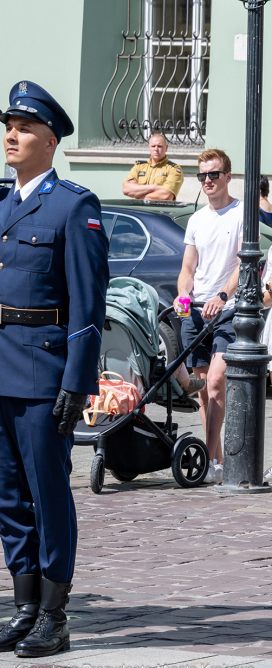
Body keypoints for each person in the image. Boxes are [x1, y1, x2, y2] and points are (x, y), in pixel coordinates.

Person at [0, 82, 109, 657]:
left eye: (23, 129)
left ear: (50, 140)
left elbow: (88, 305)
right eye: (7, 128)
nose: (11, 136)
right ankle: (22, 606)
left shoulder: (73, 206)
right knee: (7, 497)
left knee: (48, 494)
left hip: (44, 373)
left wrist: (77, 380)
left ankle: (53, 613)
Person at [175, 149, 242, 485]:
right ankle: (213, 462)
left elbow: (245, 264)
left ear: (228, 176)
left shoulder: (241, 213)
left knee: (216, 382)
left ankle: (207, 458)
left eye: (213, 174)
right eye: (202, 176)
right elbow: (188, 268)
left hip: (227, 311)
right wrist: (183, 295)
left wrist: (222, 296)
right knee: (203, 391)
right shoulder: (197, 220)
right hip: (197, 311)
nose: (208, 181)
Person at [122, 133, 183, 201]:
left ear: (166, 148)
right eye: (153, 146)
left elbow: (166, 196)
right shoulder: (139, 167)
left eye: (159, 146)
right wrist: (154, 187)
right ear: (149, 147)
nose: (156, 149)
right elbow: (126, 189)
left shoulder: (173, 169)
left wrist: (139, 194)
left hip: (160, 211)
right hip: (140, 210)